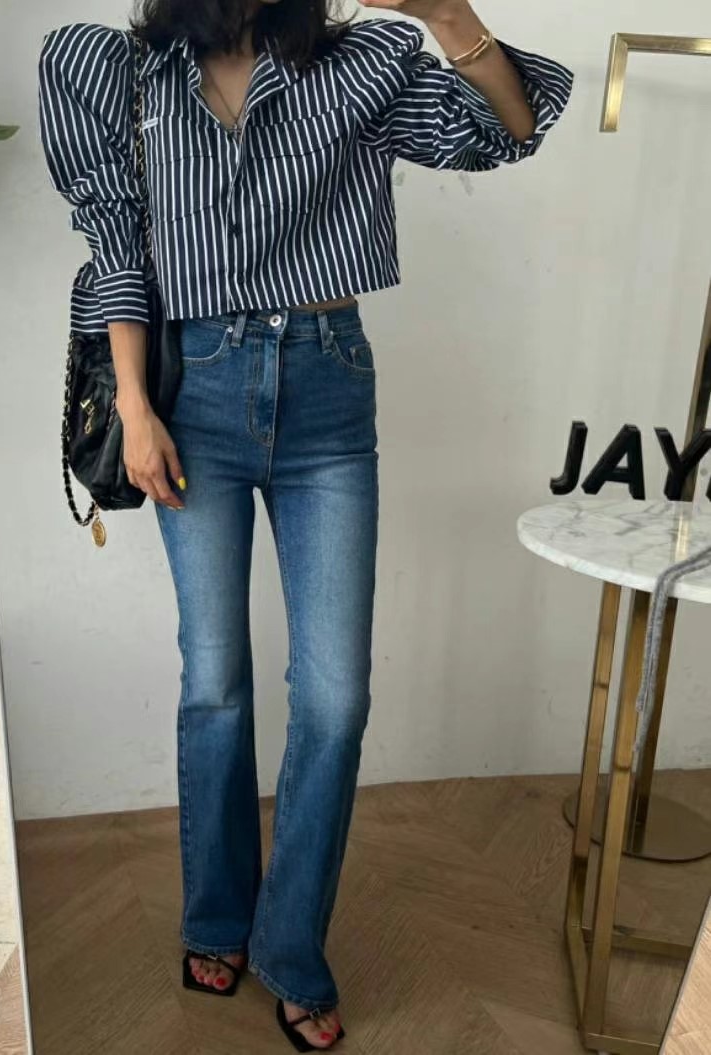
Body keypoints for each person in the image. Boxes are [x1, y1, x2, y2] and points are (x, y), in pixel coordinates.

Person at [38, 1, 572, 1048]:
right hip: (189, 392)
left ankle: (290, 945)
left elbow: (505, 130)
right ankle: (215, 918)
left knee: (333, 695)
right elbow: (115, 242)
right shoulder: (125, 74)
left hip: (327, 390)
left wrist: (444, 13)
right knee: (213, 678)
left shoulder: (356, 64)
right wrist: (135, 407)